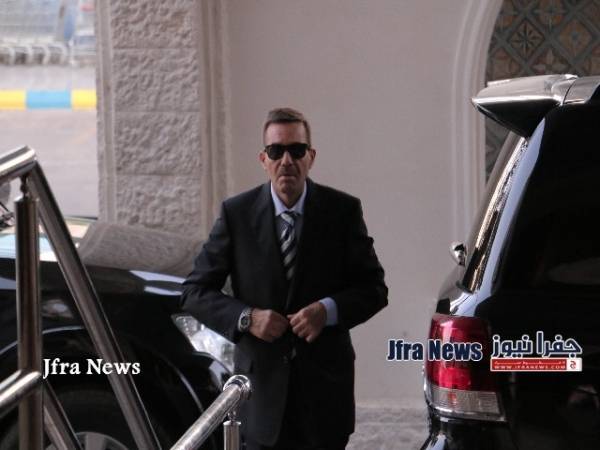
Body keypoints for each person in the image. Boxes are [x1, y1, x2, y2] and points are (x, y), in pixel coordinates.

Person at [181, 107, 388, 450]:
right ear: (264, 159)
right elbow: (194, 292)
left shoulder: (342, 211)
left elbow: (374, 289)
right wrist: (247, 318)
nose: (287, 161)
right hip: (260, 400)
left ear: (311, 157)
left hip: (325, 401)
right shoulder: (237, 214)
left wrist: (326, 311)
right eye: (276, 151)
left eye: (296, 150)